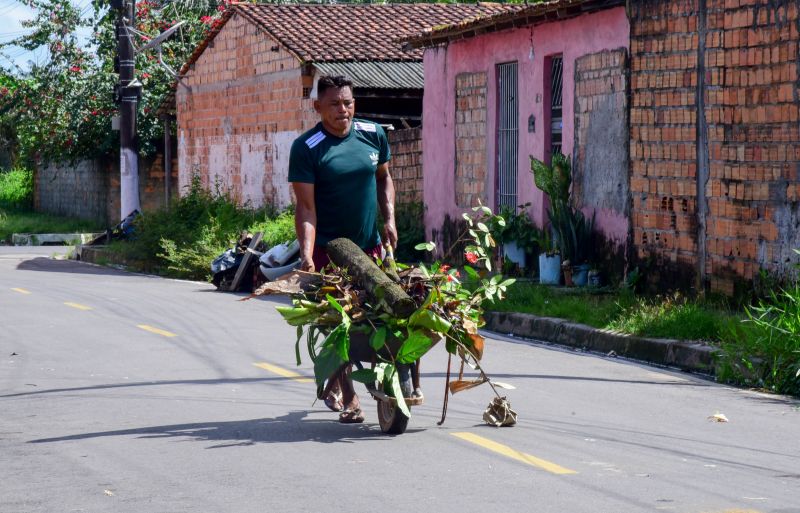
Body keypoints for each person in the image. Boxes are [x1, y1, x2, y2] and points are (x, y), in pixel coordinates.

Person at [288, 75, 397, 424]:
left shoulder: (372, 134)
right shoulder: (307, 148)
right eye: (334, 104)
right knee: (341, 324)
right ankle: (350, 396)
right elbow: (305, 207)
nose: (343, 110)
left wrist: (389, 219)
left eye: (348, 102)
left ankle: (370, 381)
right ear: (318, 107)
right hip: (327, 251)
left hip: (370, 249)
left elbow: (383, 177)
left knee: (383, 315)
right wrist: (307, 253)